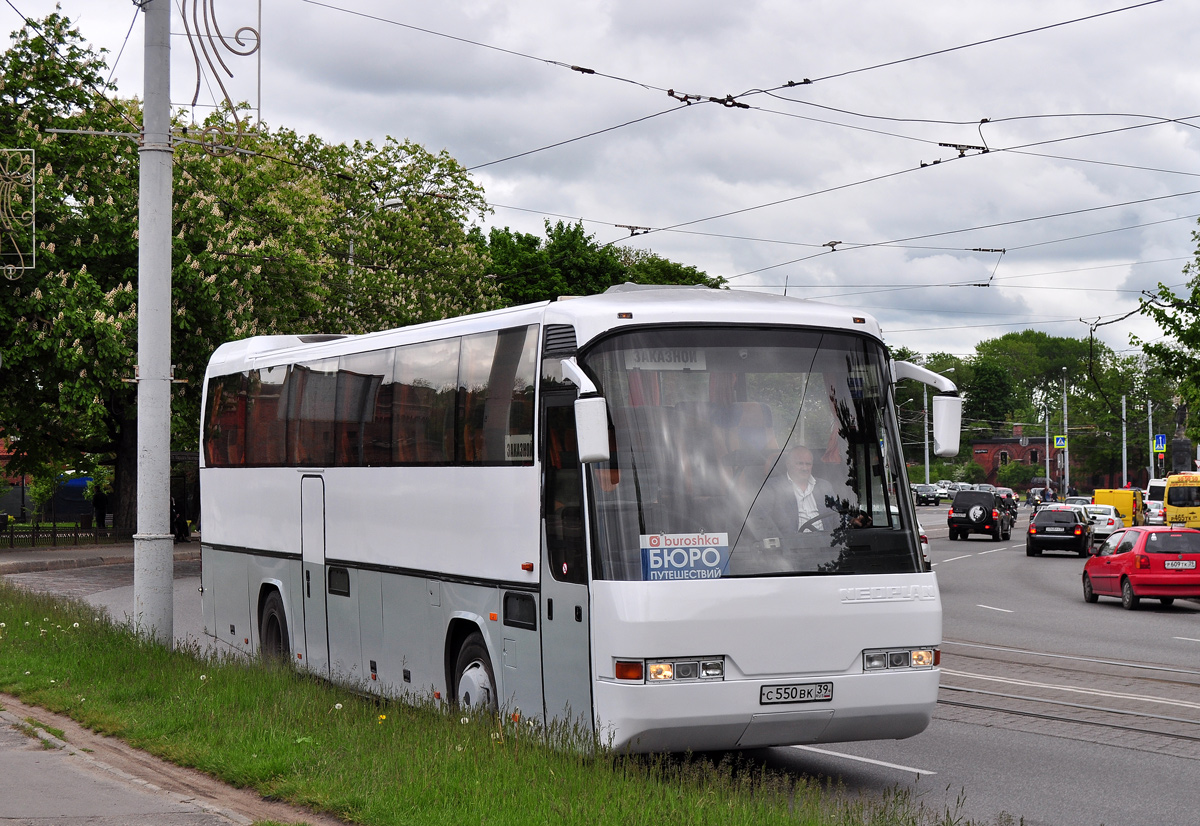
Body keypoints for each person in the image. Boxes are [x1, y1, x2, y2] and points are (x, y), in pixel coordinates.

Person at [760, 445, 840, 539]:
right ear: (788, 464)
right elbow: (761, 520)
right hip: (792, 548)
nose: (805, 468)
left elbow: (838, 515)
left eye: (808, 464)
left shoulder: (824, 486)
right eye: (800, 464)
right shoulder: (772, 487)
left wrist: (851, 521)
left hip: (826, 546)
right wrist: (780, 545)